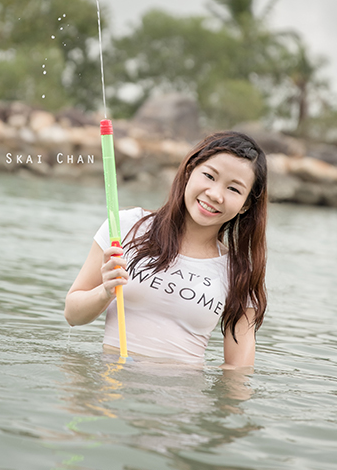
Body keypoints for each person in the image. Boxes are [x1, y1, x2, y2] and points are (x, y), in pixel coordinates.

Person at [64, 130, 267, 368]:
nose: (215, 194)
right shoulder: (126, 227)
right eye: (209, 176)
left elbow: (238, 372)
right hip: (113, 391)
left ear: (245, 205)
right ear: (190, 171)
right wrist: (105, 292)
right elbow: (72, 315)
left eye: (234, 189)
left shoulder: (239, 271)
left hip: (183, 399)